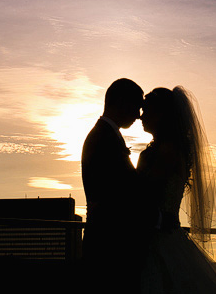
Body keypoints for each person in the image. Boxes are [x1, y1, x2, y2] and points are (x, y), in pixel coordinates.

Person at [137, 86, 216, 293]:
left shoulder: (167, 151)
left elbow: (145, 192)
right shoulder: (168, 149)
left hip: (159, 238)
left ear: (161, 115)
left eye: (147, 110)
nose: (142, 116)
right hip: (164, 235)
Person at [81, 78, 147, 293]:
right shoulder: (103, 138)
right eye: (136, 106)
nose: (138, 114)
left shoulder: (107, 135)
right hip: (109, 247)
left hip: (107, 244)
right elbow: (116, 196)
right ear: (121, 102)